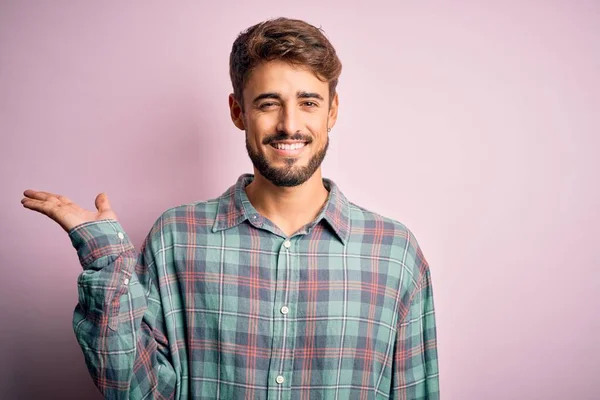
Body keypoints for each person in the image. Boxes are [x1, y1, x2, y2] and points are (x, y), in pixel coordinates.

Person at [21, 17, 439, 399]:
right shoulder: (175, 238)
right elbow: (134, 389)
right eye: (268, 103)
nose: (290, 124)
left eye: (309, 102)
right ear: (239, 111)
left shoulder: (394, 253)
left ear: (332, 111)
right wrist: (107, 260)